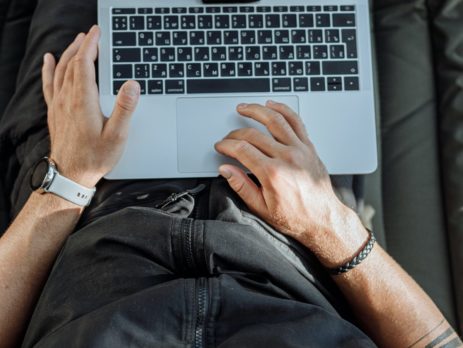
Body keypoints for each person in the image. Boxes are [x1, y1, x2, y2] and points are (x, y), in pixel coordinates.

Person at [0, 2, 461, 347]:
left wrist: (66, 182)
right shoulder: (317, 221)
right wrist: (329, 223)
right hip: (295, 216)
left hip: (83, 201)